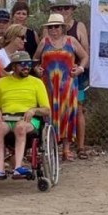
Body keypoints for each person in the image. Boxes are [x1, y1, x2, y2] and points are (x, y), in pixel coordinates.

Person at [0, 51, 52, 178]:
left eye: (28, 64)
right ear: (14, 67)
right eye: (22, 64)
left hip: (28, 119)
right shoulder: (1, 83)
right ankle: (0, 169)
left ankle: (18, 167)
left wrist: (33, 110)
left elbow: (46, 109)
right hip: (6, 118)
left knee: (20, 127)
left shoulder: (37, 82)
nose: (26, 66)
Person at [34, 12, 87, 161]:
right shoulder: (44, 42)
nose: (53, 30)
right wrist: (36, 69)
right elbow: (35, 59)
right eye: (50, 27)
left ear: (62, 28)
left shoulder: (71, 41)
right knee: (49, 115)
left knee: (67, 114)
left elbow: (84, 56)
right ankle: (51, 147)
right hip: (49, 85)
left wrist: (81, 69)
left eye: (56, 26)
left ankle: (66, 149)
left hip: (67, 85)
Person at [53, 0, 91, 156]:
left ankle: (80, 147)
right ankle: (56, 145)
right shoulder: (50, 27)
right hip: (55, 76)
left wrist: (79, 67)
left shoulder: (79, 26)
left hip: (75, 76)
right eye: (59, 8)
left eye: (66, 8)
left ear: (72, 10)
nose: (63, 11)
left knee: (78, 109)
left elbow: (85, 53)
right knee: (54, 109)